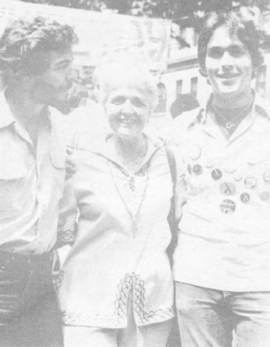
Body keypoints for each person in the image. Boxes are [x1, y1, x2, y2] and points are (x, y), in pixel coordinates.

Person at [172, 9, 270, 347]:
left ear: (255, 61)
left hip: (265, 284)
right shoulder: (179, 131)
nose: (226, 63)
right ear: (203, 65)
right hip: (195, 283)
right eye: (215, 52)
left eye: (237, 51)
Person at [56, 59, 184, 347]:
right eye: (118, 101)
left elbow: (179, 220)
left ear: (151, 109)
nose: (128, 110)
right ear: (104, 106)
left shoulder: (171, 159)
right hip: (87, 301)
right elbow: (59, 230)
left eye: (138, 102)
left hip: (151, 302)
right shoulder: (80, 161)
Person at [0, 16, 78, 346]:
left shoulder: (60, 127)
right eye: (61, 66)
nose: (70, 76)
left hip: (44, 286)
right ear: (22, 71)